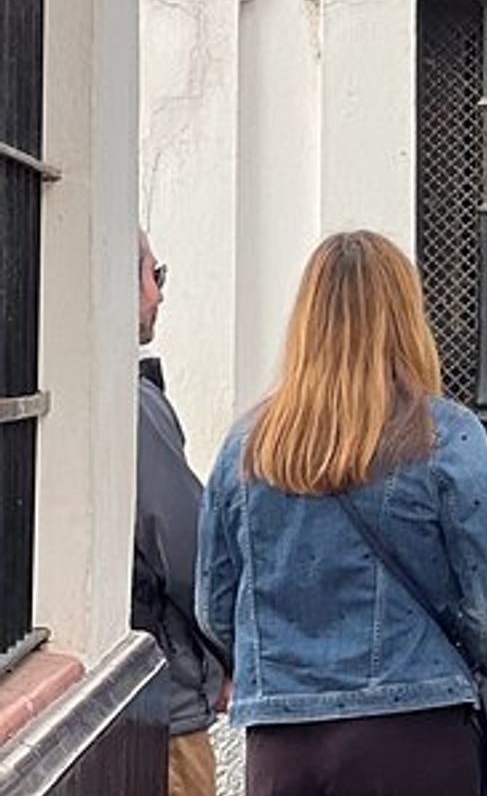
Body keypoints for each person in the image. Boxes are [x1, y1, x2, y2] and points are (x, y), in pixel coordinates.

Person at [196, 230, 487, 796]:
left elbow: (214, 607)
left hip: (284, 742)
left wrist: (281, 658)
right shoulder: (445, 435)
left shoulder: (247, 447)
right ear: (405, 317)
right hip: (417, 729)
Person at [132, 230, 229, 796]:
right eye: (154, 275)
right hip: (164, 705)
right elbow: (192, 554)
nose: (159, 295)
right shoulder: (134, 408)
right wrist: (228, 657)